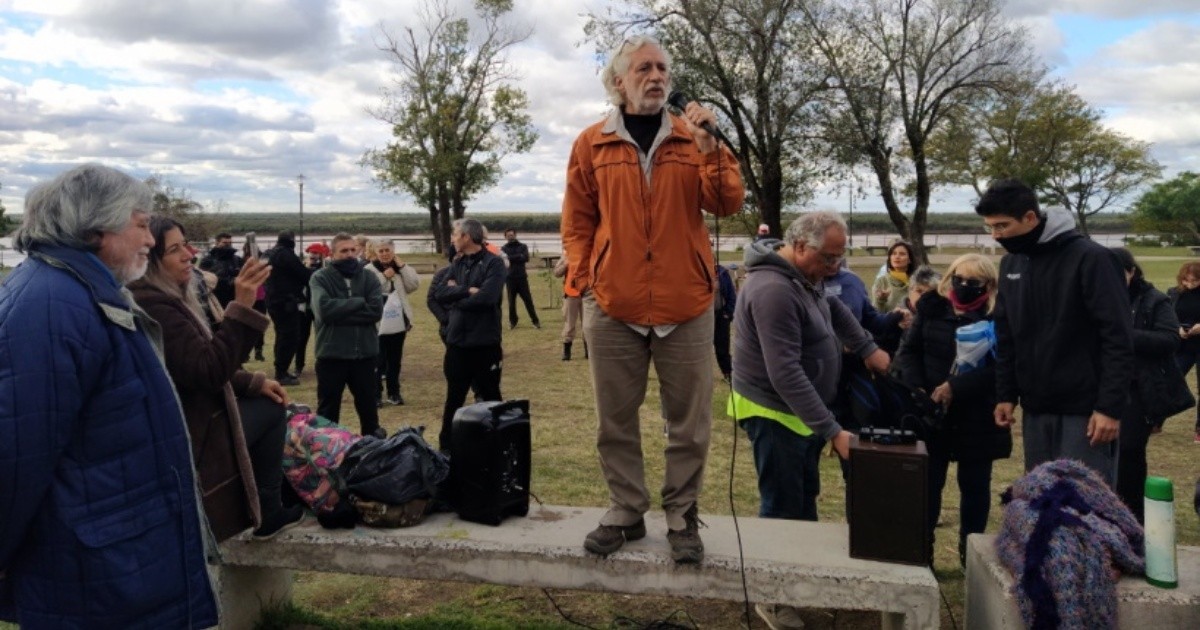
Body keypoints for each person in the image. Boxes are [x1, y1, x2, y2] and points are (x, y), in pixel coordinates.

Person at [0, 164, 217, 627]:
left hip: (119, 557)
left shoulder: (83, 291)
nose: (151, 240)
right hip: (95, 573)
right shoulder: (51, 307)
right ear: (98, 227)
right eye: (140, 224)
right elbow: (16, 455)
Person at [561, 35, 744, 564]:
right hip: (611, 304)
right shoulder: (591, 143)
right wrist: (587, 277)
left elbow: (727, 202)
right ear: (619, 81)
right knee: (613, 420)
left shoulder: (695, 137)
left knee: (689, 422)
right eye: (644, 68)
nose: (656, 76)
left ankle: (682, 515)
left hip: (686, 303)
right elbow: (576, 222)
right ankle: (625, 510)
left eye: (663, 67)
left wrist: (713, 153)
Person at [729, 212, 888, 628]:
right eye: (829, 257)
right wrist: (833, 431)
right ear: (800, 246)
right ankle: (772, 595)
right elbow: (783, 373)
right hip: (774, 412)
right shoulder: (772, 290)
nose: (835, 267)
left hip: (802, 415)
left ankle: (800, 580)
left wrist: (867, 347)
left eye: (840, 257)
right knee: (781, 504)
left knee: (804, 499)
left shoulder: (806, 277)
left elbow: (832, 306)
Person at [130, 217, 305, 541]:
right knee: (269, 411)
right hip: (190, 436)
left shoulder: (160, 297)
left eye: (186, 244)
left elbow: (194, 360)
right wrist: (241, 307)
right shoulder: (155, 305)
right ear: (151, 260)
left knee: (265, 398)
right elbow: (208, 370)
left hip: (185, 424)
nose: (188, 255)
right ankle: (267, 510)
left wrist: (252, 382)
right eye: (174, 249)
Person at [976, 179, 1133, 485]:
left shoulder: (1092, 258)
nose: (996, 236)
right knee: (1042, 498)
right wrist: (1006, 395)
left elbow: (1117, 337)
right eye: (990, 228)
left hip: (1086, 411)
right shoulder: (1011, 263)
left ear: (1030, 218)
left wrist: (1109, 408)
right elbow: (1006, 336)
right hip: (1036, 408)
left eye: (1003, 226)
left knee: (1084, 503)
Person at [893, 253, 1011, 566]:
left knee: (974, 488)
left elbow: (1003, 368)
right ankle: (924, 555)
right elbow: (909, 351)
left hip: (978, 416)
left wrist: (955, 387)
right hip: (932, 415)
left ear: (988, 284)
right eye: (958, 278)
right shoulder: (932, 308)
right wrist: (917, 387)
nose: (963, 285)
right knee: (928, 487)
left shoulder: (998, 317)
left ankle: (970, 558)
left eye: (973, 282)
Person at [1111, 248, 1183, 522]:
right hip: (1101, 383)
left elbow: (1170, 340)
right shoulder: (1097, 297)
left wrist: (1123, 335)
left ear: (1132, 271)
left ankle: (1133, 519)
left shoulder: (1154, 300)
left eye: (1119, 276)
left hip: (1139, 388)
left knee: (1129, 451)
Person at [429, 218, 507, 451]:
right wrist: (466, 291)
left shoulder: (494, 264)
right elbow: (439, 293)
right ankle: (446, 447)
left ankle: (497, 446)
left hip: (485, 343)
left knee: (491, 396)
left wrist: (457, 299)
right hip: (457, 344)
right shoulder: (458, 263)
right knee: (454, 397)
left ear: (466, 237)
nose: (452, 238)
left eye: (454, 234)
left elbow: (487, 298)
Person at [310, 233, 385, 438]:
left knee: (369, 411)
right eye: (344, 251)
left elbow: (376, 311)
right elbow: (324, 311)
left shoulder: (369, 277)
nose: (350, 254)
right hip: (332, 354)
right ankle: (327, 457)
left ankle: (374, 455)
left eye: (353, 250)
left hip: (365, 355)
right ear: (332, 254)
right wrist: (359, 302)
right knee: (328, 413)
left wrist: (341, 310)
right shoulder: (320, 278)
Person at [369, 239, 420, 406]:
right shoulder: (368, 270)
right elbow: (366, 290)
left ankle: (394, 392)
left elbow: (413, 286)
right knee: (378, 359)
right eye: (381, 251)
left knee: (394, 359)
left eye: (387, 250)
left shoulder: (400, 269)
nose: (384, 254)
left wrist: (403, 267)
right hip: (377, 322)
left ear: (393, 251)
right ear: (375, 252)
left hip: (398, 320)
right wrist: (384, 276)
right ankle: (375, 394)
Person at [264, 231, 313, 386]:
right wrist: (315, 272)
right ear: (292, 241)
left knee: (282, 335)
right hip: (285, 301)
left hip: (272, 300)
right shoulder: (286, 255)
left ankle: (281, 369)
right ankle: (281, 372)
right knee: (289, 336)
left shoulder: (269, 253)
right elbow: (303, 275)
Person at [1168, 261, 1200, 443]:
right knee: (1170, 380)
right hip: (1183, 346)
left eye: (1194, 281)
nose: (1189, 284)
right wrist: (1178, 328)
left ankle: (1199, 429)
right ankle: (1156, 420)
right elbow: (1168, 317)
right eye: (1186, 280)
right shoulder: (1174, 293)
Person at [501, 228, 541, 329]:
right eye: (508, 235)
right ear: (505, 237)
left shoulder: (523, 246)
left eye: (512, 235)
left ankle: (535, 321)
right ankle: (513, 322)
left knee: (528, 300)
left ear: (515, 235)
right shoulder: (503, 248)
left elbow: (526, 258)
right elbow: (504, 260)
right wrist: (518, 256)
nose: (510, 237)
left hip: (522, 278)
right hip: (510, 278)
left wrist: (510, 257)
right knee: (511, 302)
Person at [199, 231, 242, 307]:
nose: (228, 245)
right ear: (217, 243)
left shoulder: (237, 259)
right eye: (225, 243)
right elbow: (204, 279)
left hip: (234, 297)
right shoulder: (207, 260)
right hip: (216, 297)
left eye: (230, 243)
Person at [871, 240, 916, 313]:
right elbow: (877, 314)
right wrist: (880, 300)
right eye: (894, 254)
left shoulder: (916, 281)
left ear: (909, 259)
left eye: (902, 254)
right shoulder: (882, 281)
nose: (897, 257)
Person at [554, 256, 586, 360]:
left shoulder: (589, 253)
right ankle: (567, 351)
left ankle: (588, 350)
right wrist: (566, 264)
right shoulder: (566, 256)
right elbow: (557, 273)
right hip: (570, 294)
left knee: (588, 324)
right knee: (569, 323)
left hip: (587, 294)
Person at [243, 231, 268, 361]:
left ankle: (259, 351)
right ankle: (245, 352)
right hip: (249, 297)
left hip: (260, 298)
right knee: (246, 326)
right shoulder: (242, 264)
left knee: (260, 326)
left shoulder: (260, 262)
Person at [713, 261, 736, 382]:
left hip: (721, 315)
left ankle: (729, 374)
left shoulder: (723, 273)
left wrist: (728, 313)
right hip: (703, 317)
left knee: (722, 348)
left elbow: (732, 295)